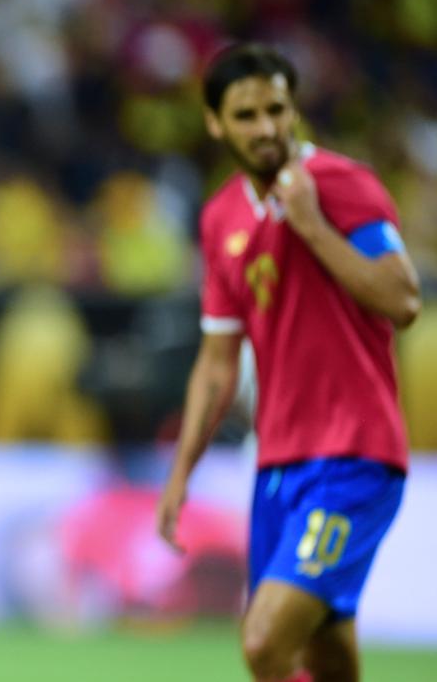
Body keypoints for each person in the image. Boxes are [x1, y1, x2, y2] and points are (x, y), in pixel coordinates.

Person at [156, 43, 421, 682]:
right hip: (279, 466)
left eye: (277, 109)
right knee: (329, 657)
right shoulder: (221, 218)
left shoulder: (342, 186)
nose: (267, 127)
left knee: (264, 642)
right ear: (215, 123)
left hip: (356, 456)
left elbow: (403, 299)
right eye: (246, 115)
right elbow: (218, 361)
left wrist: (312, 227)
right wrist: (180, 473)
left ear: (294, 108)